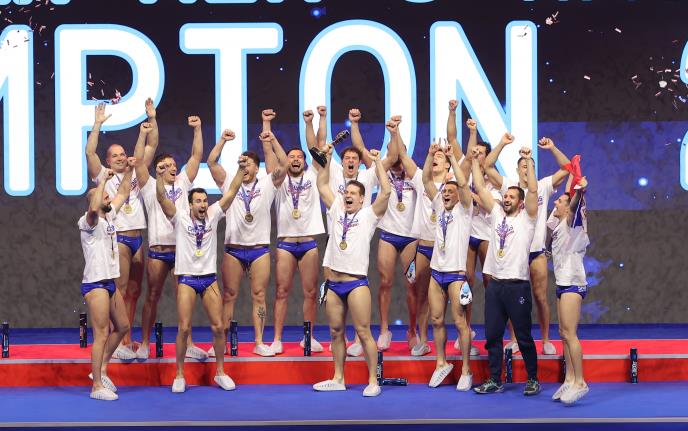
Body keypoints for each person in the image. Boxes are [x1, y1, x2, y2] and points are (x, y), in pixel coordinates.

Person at [155, 158, 243, 393]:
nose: (203, 205)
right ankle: (179, 375)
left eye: (205, 201)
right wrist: (160, 176)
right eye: (198, 201)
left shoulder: (213, 214)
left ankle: (220, 372)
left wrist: (241, 170)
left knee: (218, 327)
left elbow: (232, 191)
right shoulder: (180, 217)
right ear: (190, 204)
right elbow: (162, 198)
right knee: (184, 328)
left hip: (209, 279)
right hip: (186, 278)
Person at [313, 144, 391, 397]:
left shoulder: (369, 216)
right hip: (334, 284)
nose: (347, 195)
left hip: (356, 284)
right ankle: (338, 378)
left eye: (353, 193)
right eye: (346, 192)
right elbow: (322, 184)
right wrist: (326, 159)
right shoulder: (336, 208)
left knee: (363, 332)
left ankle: (373, 381)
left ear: (361, 198)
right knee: (335, 332)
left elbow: (386, 192)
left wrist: (377, 163)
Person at [484, 134, 571, 355]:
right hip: (513, 255)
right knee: (511, 300)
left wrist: (552, 148)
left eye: (529, 165)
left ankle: (545, 339)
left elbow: (567, 168)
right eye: (523, 165)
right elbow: (487, 166)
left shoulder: (542, 186)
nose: (526, 169)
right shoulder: (509, 187)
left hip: (536, 252)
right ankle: (514, 339)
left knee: (540, 297)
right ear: (517, 170)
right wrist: (502, 143)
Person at [207, 127, 288, 357]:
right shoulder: (229, 183)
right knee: (229, 296)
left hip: (259, 250)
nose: (245, 166)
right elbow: (211, 162)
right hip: (233, 249)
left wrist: (273, 139)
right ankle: (221, 343)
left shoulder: (268, 183)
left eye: (249, 163)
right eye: (242, 163)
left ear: (257, 168)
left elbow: (283, 164)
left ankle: (259, 342)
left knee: (259, 296)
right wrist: (222, 140)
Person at [85, 100, 156, 359]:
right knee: (120, 290)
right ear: (108, 160)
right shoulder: (102, 175)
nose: (120, 158)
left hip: (138, 236)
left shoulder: (135, 171)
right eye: (114, 155)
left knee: (135, 292)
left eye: (122, 154)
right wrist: (97, 125)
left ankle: (126, 337)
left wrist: (151, 120)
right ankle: (116, 342)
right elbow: (90, 153)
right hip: (119, 238)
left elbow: (151, 146)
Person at [134, 114, 208, 360]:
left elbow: (196, 156)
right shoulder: (148, 185)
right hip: (158, 251)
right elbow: (138, 164)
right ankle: (145, 344)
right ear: (158, 169)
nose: (173, 167)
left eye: (174, 164)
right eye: (166, 165)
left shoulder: (184, 182)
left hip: (181, 251)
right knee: (152, 296)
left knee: (183, 299)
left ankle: (189, 344)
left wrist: (197, 129)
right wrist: (143, 134)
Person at [472, 138, 542, 396]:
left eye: (512, 196)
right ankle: (494, 379)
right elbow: (479, 185)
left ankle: (533, 379)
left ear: (520, 202)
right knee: (492, 335)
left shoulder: (528, 218)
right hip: (496, 285)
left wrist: (528, 162)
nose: (507, 198)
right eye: (505, 196)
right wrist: (474, 161)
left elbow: (532, 191)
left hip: (517, 285)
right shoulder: (496, 214)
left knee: (523, 336)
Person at [269, 109, 326, 354]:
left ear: (304, 161)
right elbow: (277, 160)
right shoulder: (279, 180)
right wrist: (271, 136)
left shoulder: (313, 175)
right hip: (286, 244)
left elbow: (315, 147)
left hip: (309, 243)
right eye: (291, 156)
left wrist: (310, 122)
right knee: (281, 291)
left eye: (299, 157)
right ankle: (277, 339)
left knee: (311, 293)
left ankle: (308, 337)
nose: (294, 159)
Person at [79, 160, 134, 400]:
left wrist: (129, 170)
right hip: (95, 283)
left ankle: (101, 369)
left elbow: (123, 192)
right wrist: (101, 180)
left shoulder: (109, 218)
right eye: (104, 196)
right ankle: (96, 387)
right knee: (101, 333)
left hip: (110, 282)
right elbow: (93, 208)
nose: (109, 197)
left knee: (122, 326)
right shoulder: (88, 221)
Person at [422, 143, 474, 390]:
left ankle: (466, 370)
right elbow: (425, 179)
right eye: (445, 190)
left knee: (460, 323)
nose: (446, 193)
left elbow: (463, 185)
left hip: (456, 275)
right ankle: (441, 363)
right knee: (436, 319)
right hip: (436, 273)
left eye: (451, 191)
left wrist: (453, 159)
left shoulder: (465, 209)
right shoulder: (438, 205)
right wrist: (430, 155)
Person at [548, 167, 590, 404]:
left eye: (560, 201)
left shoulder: (573, 223)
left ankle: (581, 382)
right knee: (563, 333)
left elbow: (573, 203)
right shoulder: (558, 223)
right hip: (562, 283)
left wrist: (580, 191)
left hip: (573, 284)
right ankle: (569, 378)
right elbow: (567, 197)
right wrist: (573, 172)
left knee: (571, 334)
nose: (556, 201)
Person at [409, 137, 454, 356]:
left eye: (440, 156)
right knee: (422, 295)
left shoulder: (453, 186)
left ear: (448, 164)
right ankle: (423, 340)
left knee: (451, 298)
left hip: (445, 250)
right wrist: (429, 154)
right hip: (424, 248)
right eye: (434, 155)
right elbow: (406, 159)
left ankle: (456, 339)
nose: (436, 157)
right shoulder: (422, 180)